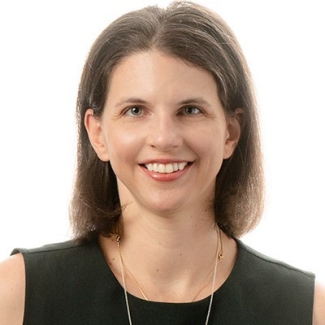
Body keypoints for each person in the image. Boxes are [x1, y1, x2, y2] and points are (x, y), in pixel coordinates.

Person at [0, 1, 324, 324]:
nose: (164, 138)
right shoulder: (16, 294)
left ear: (230, 132)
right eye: (136, 111)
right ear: (97, 134)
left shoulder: (308, 311)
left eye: (190, 110)